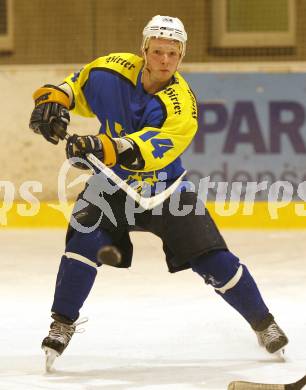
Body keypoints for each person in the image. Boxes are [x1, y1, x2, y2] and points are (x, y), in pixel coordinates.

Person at [29, 15, 288, 369]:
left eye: (173, 54)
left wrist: (101, 146)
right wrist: (52, 100)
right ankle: (61, 324)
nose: (164, 61)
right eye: (158, 52)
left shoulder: (181, 103)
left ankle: (264, 323)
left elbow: (147, 151)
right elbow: (76, 87)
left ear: (181, 57)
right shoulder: (110, 70)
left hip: (165, 190)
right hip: (111, 186)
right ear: (144, 51)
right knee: (82, 246)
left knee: (214, 260)